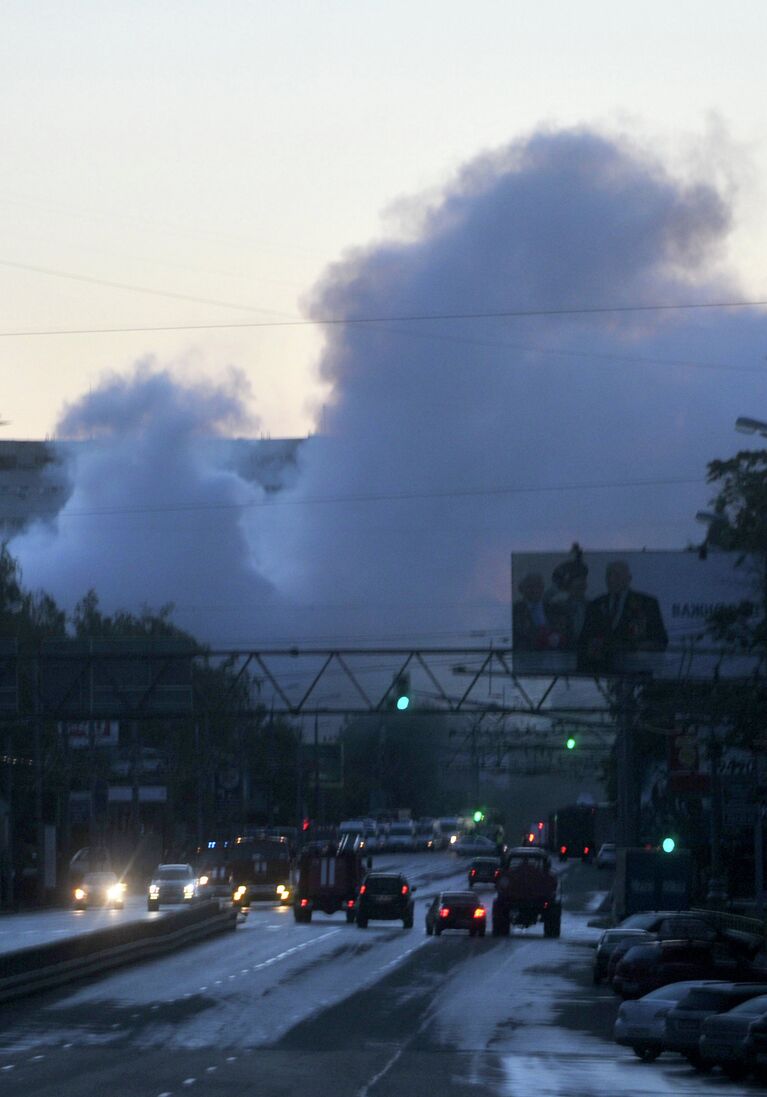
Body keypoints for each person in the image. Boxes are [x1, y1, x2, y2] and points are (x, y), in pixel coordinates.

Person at [577, 559, 668, 671]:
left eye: (617, 575)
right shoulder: (596, 605)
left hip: (634, 670)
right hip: (601, 670)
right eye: (609, 575)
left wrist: (640, 647)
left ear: (628, 579)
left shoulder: (646, 603)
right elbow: (584, 639)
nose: (612, 579)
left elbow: (660, 640)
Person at [513, 572, 566, 651]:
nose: (535, 590)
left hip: (555, 655)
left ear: (543, 588)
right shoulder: (516, 610)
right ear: (521, 589)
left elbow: (564, 630)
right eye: (530, 586)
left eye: (538, 586)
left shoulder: (555, 608)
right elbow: (518, 636)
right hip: (527, 656)